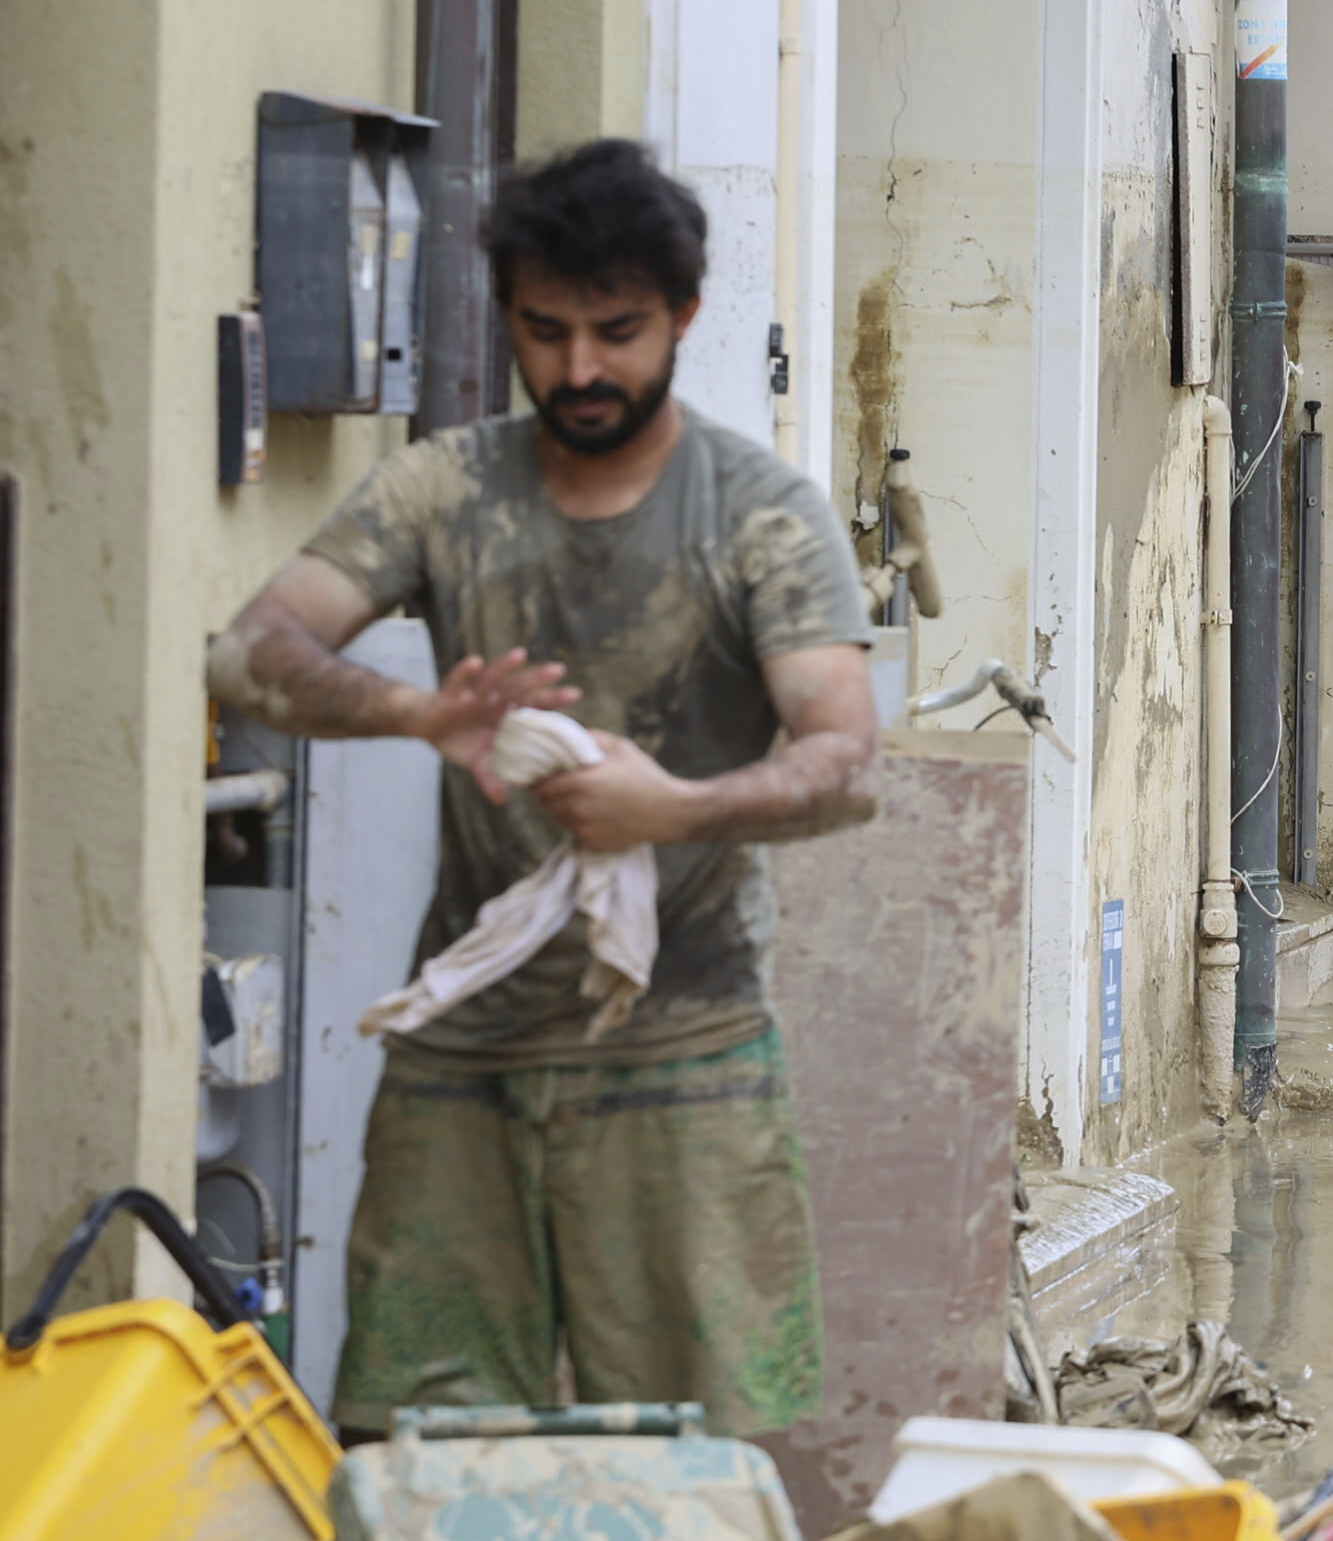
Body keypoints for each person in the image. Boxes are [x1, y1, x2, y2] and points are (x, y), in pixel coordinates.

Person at [205, 138, 880, 1436]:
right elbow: (252, 651)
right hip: (466, 1060)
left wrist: (670, 806)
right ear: (505, 313)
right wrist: (419, 711)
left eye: (617, 331)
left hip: (686, 1050)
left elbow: (845, 765)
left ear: (683, 315)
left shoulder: (762, 514)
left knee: (699, 1454)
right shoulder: (445, 487)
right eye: (545, 329)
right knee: (429, 1450)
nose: (579, 369)